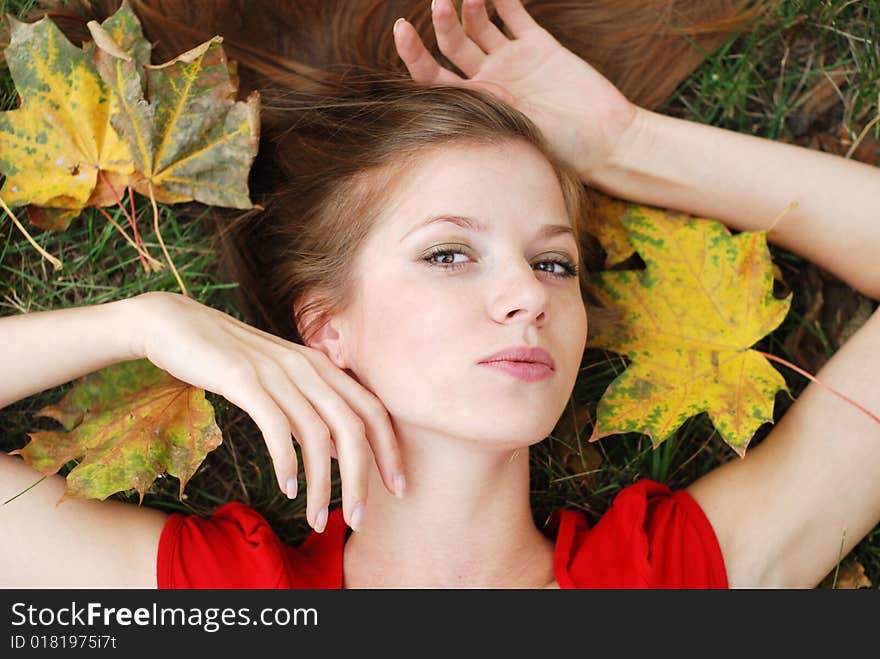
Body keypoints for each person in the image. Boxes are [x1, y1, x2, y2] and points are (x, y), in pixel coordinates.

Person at [1, 0, 878, 588]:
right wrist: (146, 322)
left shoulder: (664, 583)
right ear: (325, 324)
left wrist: (623, 145)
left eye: (554, 263)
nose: (526, 297)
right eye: (451, 254)